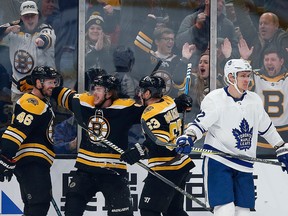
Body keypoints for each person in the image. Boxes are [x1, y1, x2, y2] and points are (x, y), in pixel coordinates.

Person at [175, 59, 288, 216]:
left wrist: (281, 147)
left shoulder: (254, 100)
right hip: (219, 161)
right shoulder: (216, 99)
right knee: (225, 210)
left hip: (244, 163)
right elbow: (200, 124)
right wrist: (189, 137)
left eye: (248, 76)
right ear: (231, 77)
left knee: (243, 213)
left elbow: (267, 128)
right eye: (242, 76)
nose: (247, 80)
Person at [51, 75, 145, 216]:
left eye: (99, 89)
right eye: (94, 89)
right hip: (85, 171)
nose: (94, 92)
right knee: (71, 210)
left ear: (109, 93)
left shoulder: (126, 108)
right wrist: (33, 83)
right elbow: (57, 93)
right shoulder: (84, 103)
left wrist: (176, 104)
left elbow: (153, 111)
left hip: (113, 172)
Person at [120, 75, 195, 216]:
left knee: (149, 210)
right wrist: (181, 102)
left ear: (148, 93)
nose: (139, 94)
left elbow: (160, 142)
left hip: (165, 167)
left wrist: (140, 151)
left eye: (142, 91)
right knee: (173, 210)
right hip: (181, 164)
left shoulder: (150, 113)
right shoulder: (167, 101)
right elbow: (171, 109)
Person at [0, 65, 61, 216]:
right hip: (31, 161)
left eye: (54, 82)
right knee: (38, 204)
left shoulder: (41, 102)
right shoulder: (32, 102)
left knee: (35, 205)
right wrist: (5, 157)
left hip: (34, 162)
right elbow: (16, 130)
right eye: (49, 82)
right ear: (38, 83)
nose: (53, 86)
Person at [0, 1, 56, 105]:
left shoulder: (45, 28)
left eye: (32, 16)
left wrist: (41, 41)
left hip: (41, 90)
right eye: (26, 16)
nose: (30, 19)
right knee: (18, 118)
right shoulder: (14, 28)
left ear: (38, 15)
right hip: (19, 89)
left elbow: (47, 39)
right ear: (21, 17)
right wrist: (8, 29)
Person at [134, 14, 196, 98]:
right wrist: (150, 23)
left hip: (169, 103)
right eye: (167, 39)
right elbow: (139, 45)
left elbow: (179, 81)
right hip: (150, 101)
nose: (171, 42)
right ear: (157, 41)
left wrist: (185, 58)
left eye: (172, 39)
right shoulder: (149, 57)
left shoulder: (178, 60)